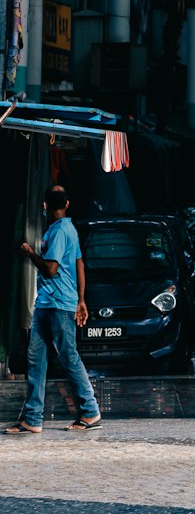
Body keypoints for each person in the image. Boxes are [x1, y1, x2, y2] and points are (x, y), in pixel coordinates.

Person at [5, 185, 102, 434]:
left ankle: (90, 411)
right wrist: (82, 299)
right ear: (67, 204)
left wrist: (29, 253)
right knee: (36, 360)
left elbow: (51, 269)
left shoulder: (60, 231)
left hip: (58, 304)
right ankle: (32, 419)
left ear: (45, 205)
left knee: (68, 356)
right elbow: (79, 263)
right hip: (48, 303)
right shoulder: (68, 229)